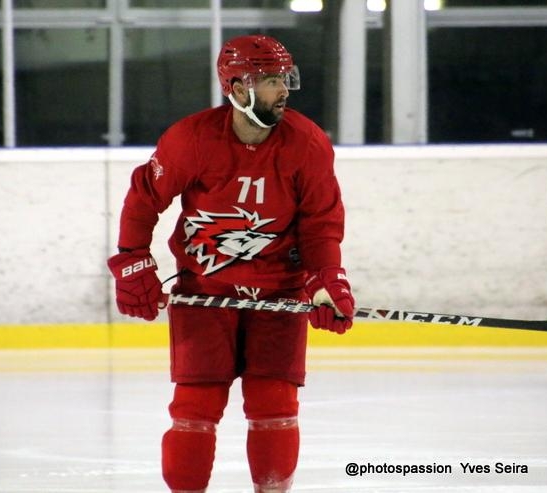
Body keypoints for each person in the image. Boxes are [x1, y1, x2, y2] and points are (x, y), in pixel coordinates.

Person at [107, 34, 355, 492]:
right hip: (204, 293)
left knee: (274, 405)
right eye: (270, 81)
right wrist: (132, 260)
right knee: (194, 408)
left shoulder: (308, 144)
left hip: (280, 292)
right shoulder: (192, 139)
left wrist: (325, 280)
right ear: (238, 88)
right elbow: (144, 200)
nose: (284, 90)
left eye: (285, 79)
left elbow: (321, 223)